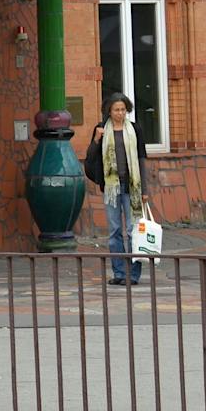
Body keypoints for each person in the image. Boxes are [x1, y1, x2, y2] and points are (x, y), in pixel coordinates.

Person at [84, 92, 146, 285]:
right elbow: (90, 158)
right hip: (111, 188)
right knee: (114, 231)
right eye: (116, 110)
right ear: (109, 111)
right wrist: (96, 140)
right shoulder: (101, 129)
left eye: (123, 109)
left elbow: (142, 160)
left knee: (132, 230)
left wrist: (145, 190)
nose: (120, 113)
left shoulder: (135, 129)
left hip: (132, 187)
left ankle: (133, 274)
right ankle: (119, 273)